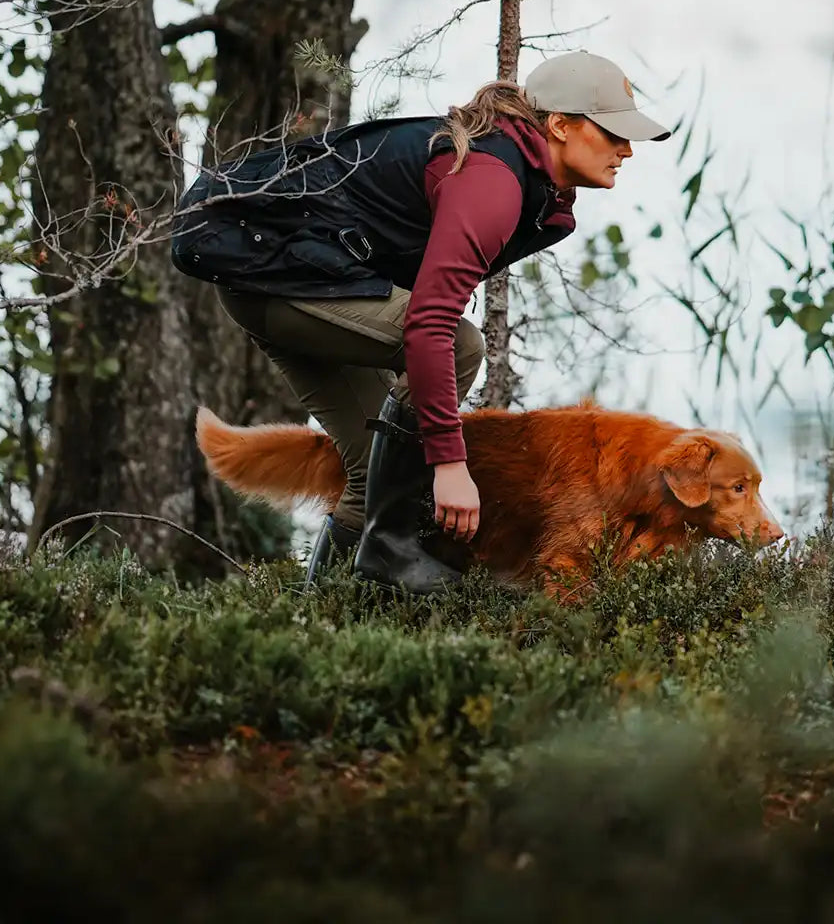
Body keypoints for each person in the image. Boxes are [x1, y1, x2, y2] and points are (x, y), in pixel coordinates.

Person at [173, 51, 670, 594]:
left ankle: (325, 618)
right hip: (272, 272)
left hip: (293, 280)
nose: (626, 149)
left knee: (372, 469)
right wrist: (449, 465)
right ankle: (391, 553)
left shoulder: (538, 198)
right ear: (560, 125)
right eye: (613, 132)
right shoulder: (493, 183)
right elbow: (431, 324)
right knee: (461, 347)